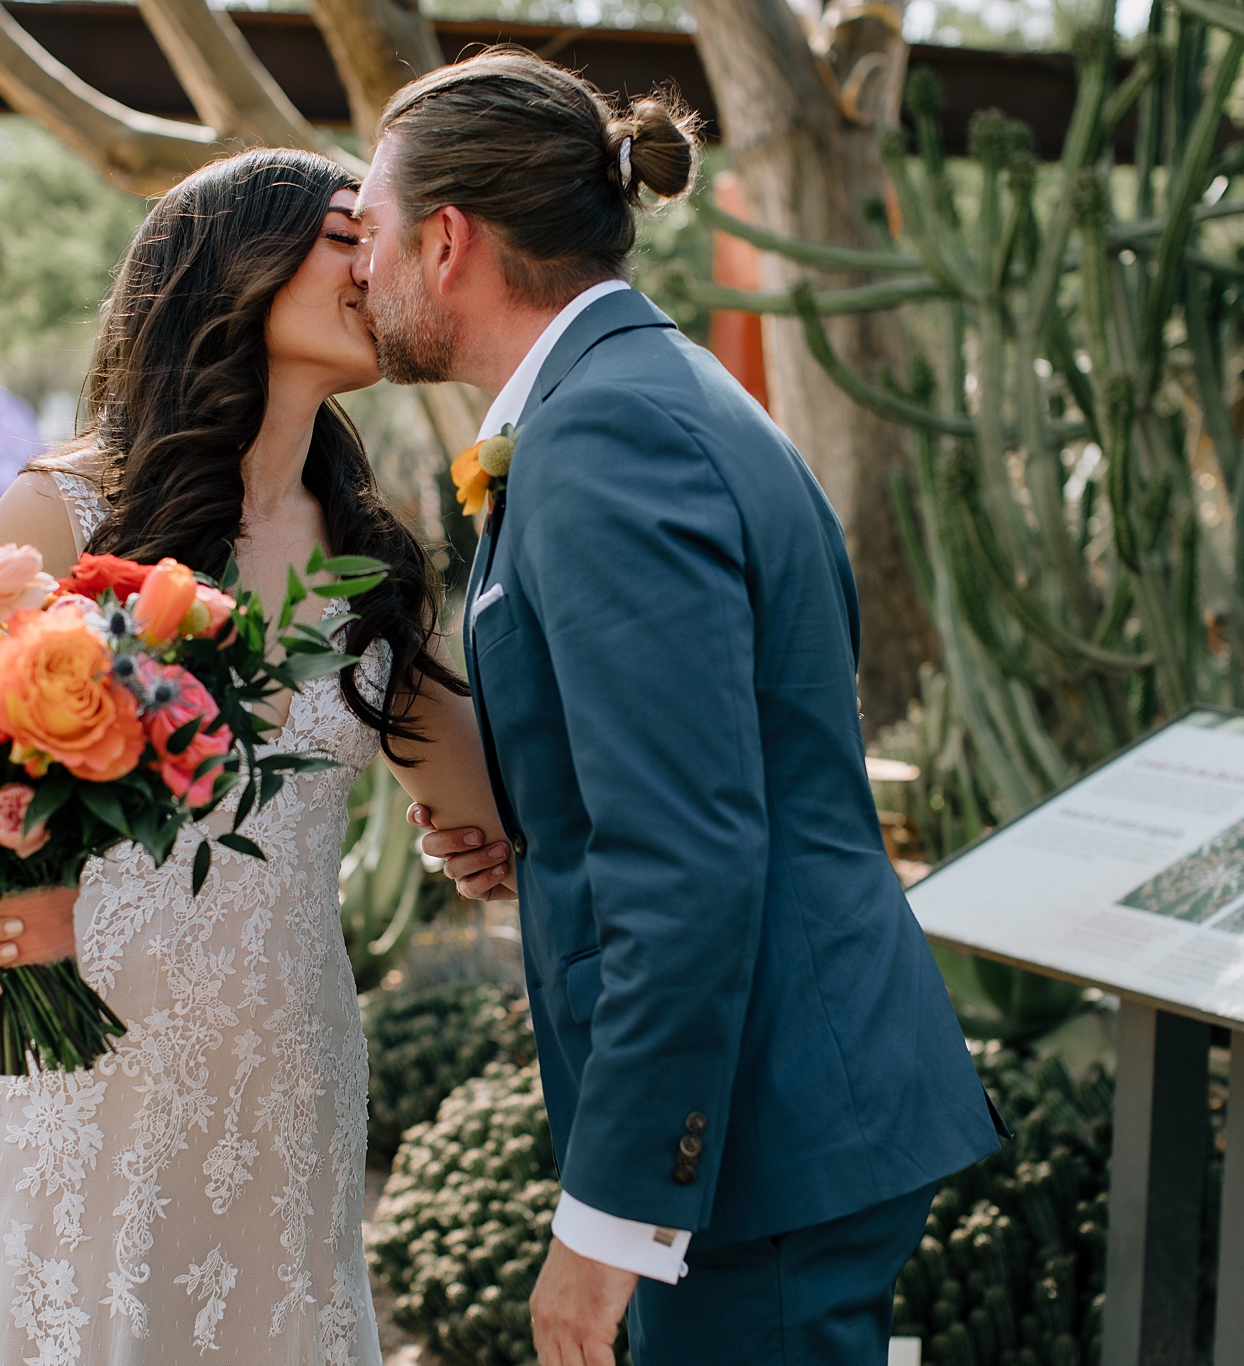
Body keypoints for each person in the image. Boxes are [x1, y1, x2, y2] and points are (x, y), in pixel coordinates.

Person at [359, 50, 1006, 1366]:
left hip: (762, 1129)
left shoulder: (608, 438)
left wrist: (608, 1228)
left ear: (445, 240)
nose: (353, 268)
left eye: (365, 232)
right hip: (774, 1096)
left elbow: (693, 854)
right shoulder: (628, 396)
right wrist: (525, 819)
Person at [0, 147, 504, 1366]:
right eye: (348, 234)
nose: (377, 261)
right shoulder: (61, 517)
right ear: (239, 267)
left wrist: (484, 839)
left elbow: (487, 804)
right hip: (82, 1068)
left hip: (284, 1070)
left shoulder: (370, 556)